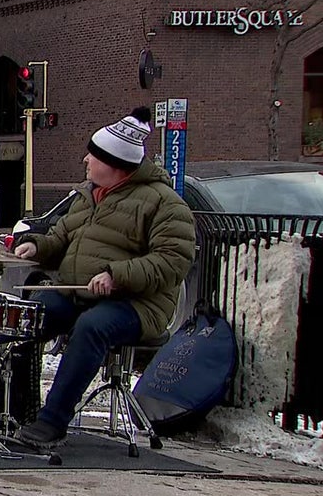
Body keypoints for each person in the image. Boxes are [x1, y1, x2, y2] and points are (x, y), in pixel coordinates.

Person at [11, 107, 195, 447]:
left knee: (92, 327)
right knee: (28, 315)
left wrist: (117, 275)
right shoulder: (87, 196)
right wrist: (36, 247)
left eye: (92, 155)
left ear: (114, 164)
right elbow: (60, 237)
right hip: (80, 295)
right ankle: (16, 411)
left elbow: (173, 261)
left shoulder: (164, 204)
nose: (85, 160)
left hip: (137, 304)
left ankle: (52, 423)